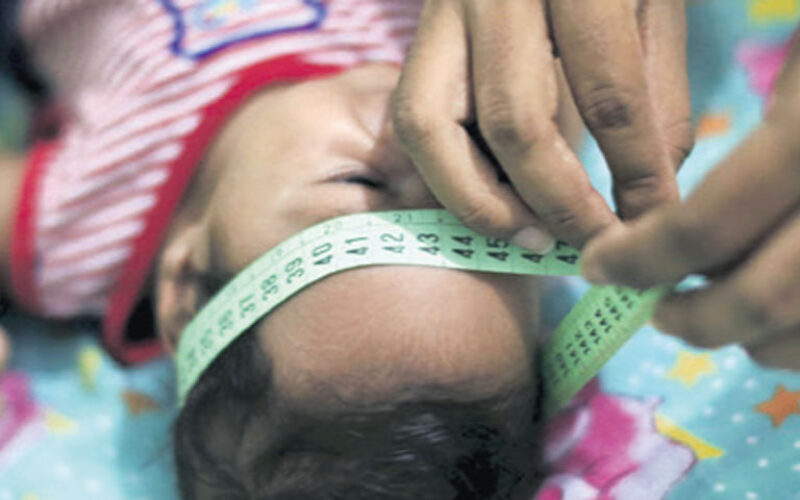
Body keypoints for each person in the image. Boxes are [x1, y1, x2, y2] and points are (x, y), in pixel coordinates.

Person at [0, 0, 694, 497]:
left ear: (185, 292)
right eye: (485, 189)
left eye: (360, 183)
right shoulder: (486, 91)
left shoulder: (84, 228)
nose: (429, 154)